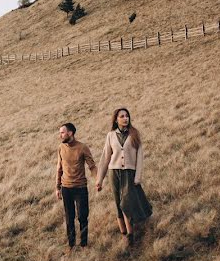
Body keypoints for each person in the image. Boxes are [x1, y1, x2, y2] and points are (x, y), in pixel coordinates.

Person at [96, 108, 152, 246]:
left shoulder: (134, 134)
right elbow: (105, 158)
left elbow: (140, 157)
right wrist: (99, 180)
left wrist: (137, 177)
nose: (125, 118)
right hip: (114, 173)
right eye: (122, 116)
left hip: (129, 172)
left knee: (126, 202)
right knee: (118, 203)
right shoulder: (110, 135)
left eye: (127, 116)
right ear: (116, 119)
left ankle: (131, 233)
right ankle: (124, 234)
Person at [55, 122, 97, 253]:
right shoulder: (61, 148)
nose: (60, 135)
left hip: (80, 188)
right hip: (66, 188)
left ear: (70, 133)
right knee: (69, 217)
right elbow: (59, 168)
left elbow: (92, 166)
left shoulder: (82, 147)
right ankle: (71, 245)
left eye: (62, 132)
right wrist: (57, 187)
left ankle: (84, 244)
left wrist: (97, 180)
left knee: (83, 217)